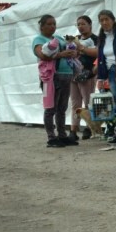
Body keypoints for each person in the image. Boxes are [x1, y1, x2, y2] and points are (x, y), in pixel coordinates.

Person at [32, 14, 78, 147]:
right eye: (49, 24)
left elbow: (69, 49)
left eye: (54, 24)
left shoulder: (58, 38)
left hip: (66, 74)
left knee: (62, 108)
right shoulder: (38, 40)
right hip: (50, 78)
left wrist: (72, 52)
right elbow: (43, 55)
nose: (52, 26)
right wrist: (61, 54)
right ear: (41, 26)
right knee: (50, 108)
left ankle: (62, 135)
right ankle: (51, 138)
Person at [94, 9, 116, 131]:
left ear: (113, 20)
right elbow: (101, 58)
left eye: (106, 19)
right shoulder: (102, 37)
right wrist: (101, 78)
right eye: (101, 20)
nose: (104, 22)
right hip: (111, 72)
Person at [67, 15, 97, 141]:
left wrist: (81, 48)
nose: (80, 26)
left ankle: (89, 128)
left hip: (87, 74)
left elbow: (97, 53)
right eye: (78, 24)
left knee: (88, 102)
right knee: (75, 103)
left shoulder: (95, 38)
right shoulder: (75, 39)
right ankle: (73, 130)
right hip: (74, 74)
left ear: (90, 25)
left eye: (83, 24)